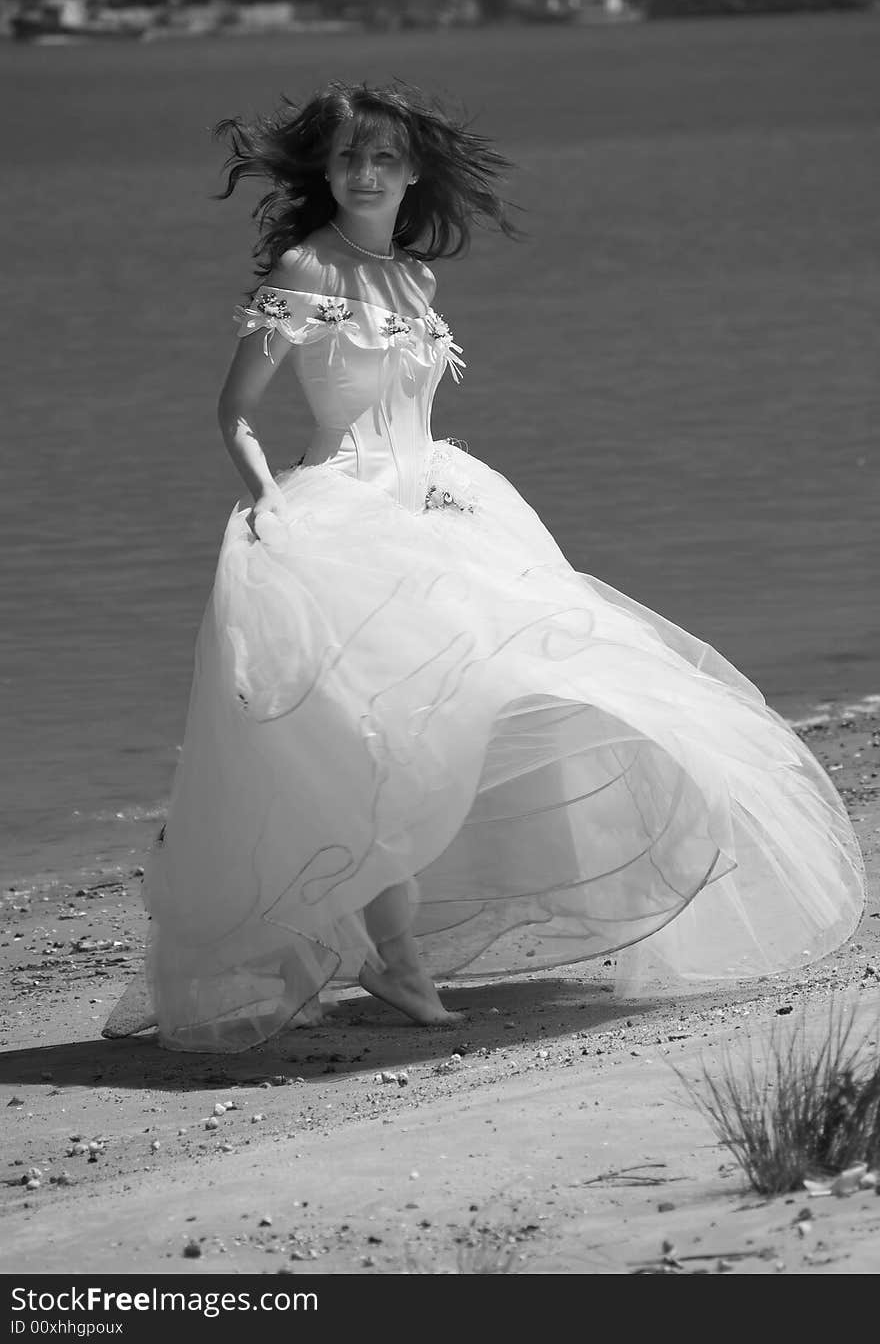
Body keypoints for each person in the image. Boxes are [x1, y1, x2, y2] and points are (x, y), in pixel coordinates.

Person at [103, 82, 864, 1053]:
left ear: (413, 171)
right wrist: (268, 505)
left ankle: (542, 890)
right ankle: (395, 953)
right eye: (345, 158)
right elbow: (234, 412)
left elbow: (412, 415)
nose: (363, 173)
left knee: (528, 689)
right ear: (324, 170)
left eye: (382, 158)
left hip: (441, 506)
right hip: (334, 517)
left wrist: (432, 491)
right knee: (364, 739)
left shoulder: (417, 281)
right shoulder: (305, 267)